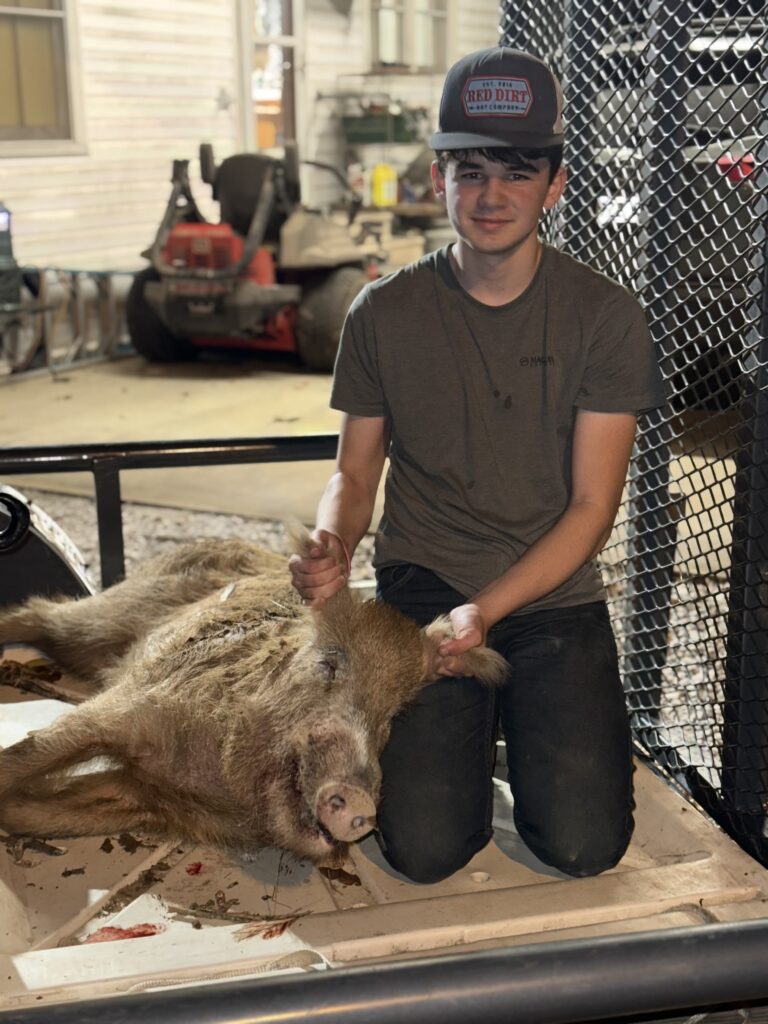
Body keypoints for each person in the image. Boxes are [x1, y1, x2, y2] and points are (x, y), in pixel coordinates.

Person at [289, 46, 666, 884]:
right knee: (423, 848)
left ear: (556, 184)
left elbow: (591, 509)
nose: (491, 195)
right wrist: (331, 542)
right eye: (470, 170)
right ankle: (461, 739)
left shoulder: (604, 318)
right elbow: (355, 474)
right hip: (424, 586)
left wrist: (486, 613)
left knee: (581, 845)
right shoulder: (382, 311)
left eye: (518, 170)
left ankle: (514, 723)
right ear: (438, 179)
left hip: (551, 595)